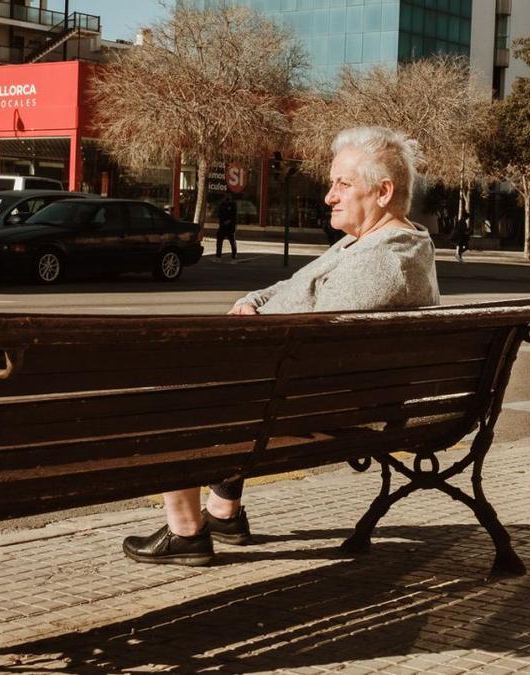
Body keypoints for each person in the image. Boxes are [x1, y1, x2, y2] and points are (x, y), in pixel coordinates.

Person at [122, 126, 441, 566]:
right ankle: (223, 511)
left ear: (383, 191)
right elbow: (295, 286)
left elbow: (308, 342)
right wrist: (251, 303)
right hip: (315, 395)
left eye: (343, 184)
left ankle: (185, 533)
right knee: (226, 385)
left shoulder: (383, 262)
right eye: (333, 183)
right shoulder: (366, 243)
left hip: (313, 405)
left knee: (174, 393)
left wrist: (249, 335)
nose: (330, 195)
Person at [215, 194, 238, 260]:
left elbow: (234, 215)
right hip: (222, 225)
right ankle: (218, 255)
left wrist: (229, 221)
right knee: (219, 240)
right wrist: (221, 221)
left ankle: (234, 254)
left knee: (232, 241)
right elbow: (219, 214)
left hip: (230, 226)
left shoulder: (233, 204)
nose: (226, 198)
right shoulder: (222, 204)